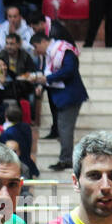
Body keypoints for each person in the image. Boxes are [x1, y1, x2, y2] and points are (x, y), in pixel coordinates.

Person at [28, 31, 88, 171]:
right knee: (63, 128)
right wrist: (42, 84)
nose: (36, 51)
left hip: (70, 95)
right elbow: (48, 72)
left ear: (43, 42)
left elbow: (69, 70)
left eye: (36, 47)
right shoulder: (50, 53)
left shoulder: (62, 50)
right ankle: (66, 157)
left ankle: (66, 159)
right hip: (61, 96)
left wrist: (47, 79)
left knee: (65, 128)